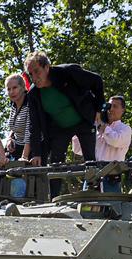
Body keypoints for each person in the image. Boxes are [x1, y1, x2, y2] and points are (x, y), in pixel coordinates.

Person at [23, 52, 105, 182]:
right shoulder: (33, 94)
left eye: (37, 71)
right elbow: (34, 124)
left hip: (83, 120)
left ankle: (94, 195)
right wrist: (36, 153)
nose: (34, 77)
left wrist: (99, 109)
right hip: (59, 127)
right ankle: (55, 198)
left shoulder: (67, 72)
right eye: (30, 74)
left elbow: (97, 81)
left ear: (47, 67)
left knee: (90, 162)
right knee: (55, 164)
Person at [94, 96, 132, 192]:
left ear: (123, 110)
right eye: (109, 106)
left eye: (115, 106)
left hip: (111, 177)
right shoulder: (97, 128)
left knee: (111, 206)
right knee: (87, 206)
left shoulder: (125, 129)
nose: (110, 109)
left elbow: (115, 141)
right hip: (93, 176)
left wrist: (101, 126)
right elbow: (78, 149)